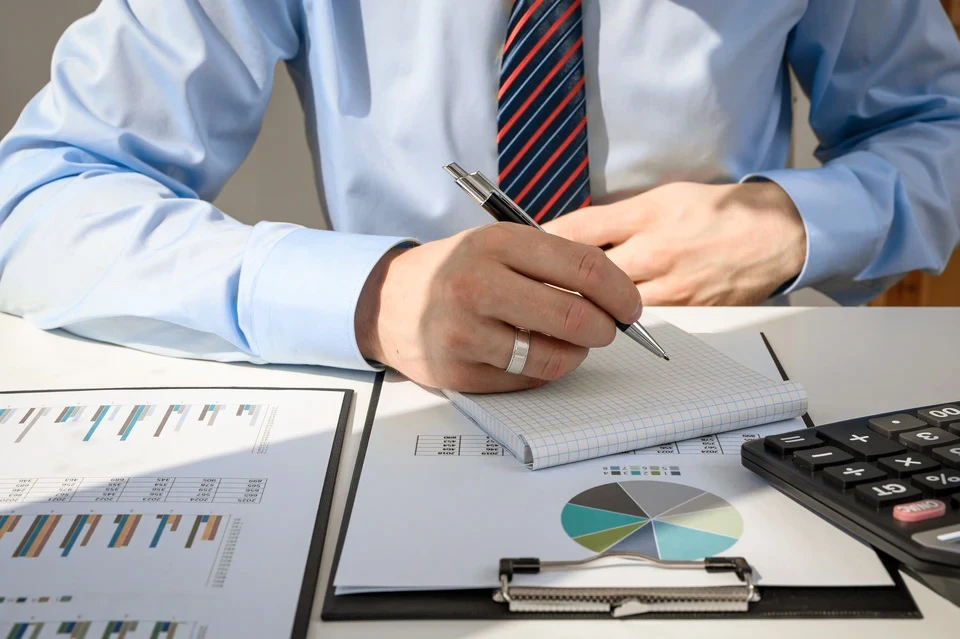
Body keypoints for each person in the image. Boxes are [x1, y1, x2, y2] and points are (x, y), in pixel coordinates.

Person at [1, 1, 959, 393]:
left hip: (713, 378)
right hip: (399, 399)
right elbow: (39, 195)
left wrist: (794, 228)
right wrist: (373, 298)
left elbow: (937, 129)